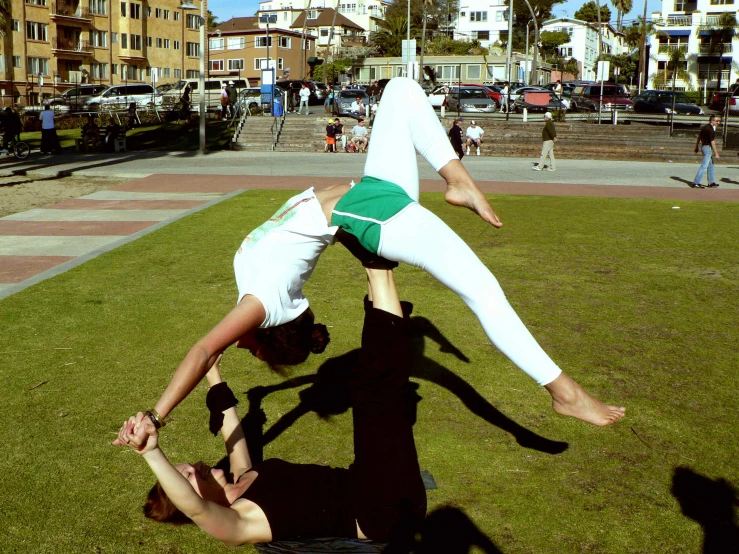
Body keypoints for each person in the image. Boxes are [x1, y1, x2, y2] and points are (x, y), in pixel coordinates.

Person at [121, 77, 622, 438]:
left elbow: (207, 352)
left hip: (373, 189)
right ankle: (563, 391)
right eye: (251, 350)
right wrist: (161, 414)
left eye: (249, 351)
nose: (241, 345)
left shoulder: (256, 300)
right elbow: (208, 351)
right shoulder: (265, 303)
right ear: (271, 330)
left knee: (402, 91)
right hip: (370, 213)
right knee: (481, 286)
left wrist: (162, 412)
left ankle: (457, 180)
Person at [115, 265, 426, 548]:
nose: (194, 469)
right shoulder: (241, 524)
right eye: (186, 479)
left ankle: (375, 267)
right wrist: (151, 452)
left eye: (185, 468)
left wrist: (212, 375)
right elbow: (197, 509)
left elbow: (231, 431)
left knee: (372, 387)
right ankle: (377, 264)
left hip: (367, 479)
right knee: (375, 391)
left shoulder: (243, 476)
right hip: (382, 508)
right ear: (187, 500)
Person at [691, 114, 721, 188]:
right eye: (717, 121)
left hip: (704, 147)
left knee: (711, 165)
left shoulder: (704, 127)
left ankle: (711, 182)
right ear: (712, 120)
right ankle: (696, 182)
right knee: (704, 166)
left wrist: (697, 146)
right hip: (707, 148)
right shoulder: (710, 130)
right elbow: (712, 142)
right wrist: (716, 153)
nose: (718, 123)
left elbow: (699, 137)